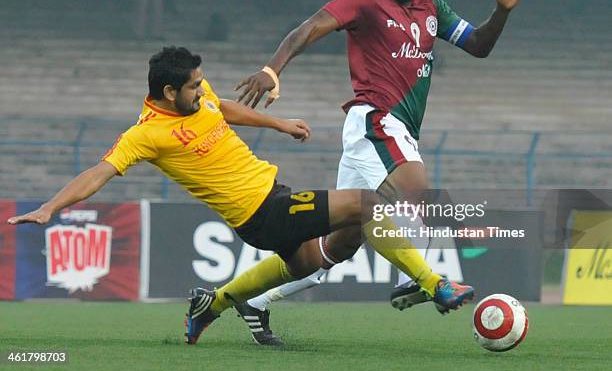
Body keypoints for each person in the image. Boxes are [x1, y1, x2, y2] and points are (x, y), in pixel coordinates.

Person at [7, 46, 474, 347]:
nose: (201, 88)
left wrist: (278, 122)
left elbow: (221, 108)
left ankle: (214, 302)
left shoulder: (197, 94)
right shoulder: (145, 135)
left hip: (272, 196)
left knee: (312, 261)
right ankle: (436, 284)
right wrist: (51, 207)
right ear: (169, 92)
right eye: (193, 85)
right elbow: (98, 172)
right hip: (262, 212)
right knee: (367, 205)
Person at [235, 0, 532, 343]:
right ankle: (425, 279)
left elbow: (479, 45)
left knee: (332, 251)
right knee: (418, 191)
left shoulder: (432, 6)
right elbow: (308, 28)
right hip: (375, 120)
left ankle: (252, 302)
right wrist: (272, 69)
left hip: (396, 131)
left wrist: (501, 11)